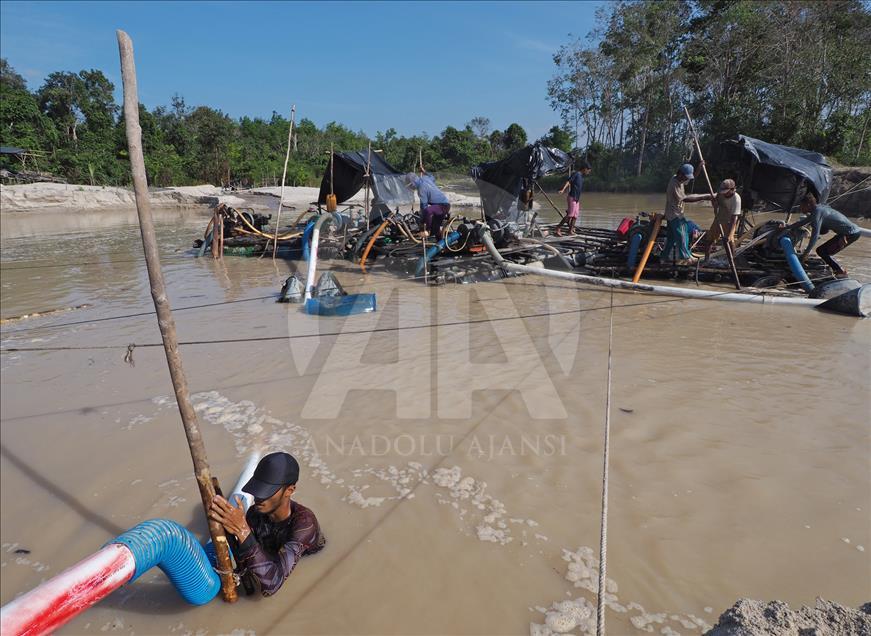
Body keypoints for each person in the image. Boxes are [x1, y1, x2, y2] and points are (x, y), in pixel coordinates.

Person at [209, 452, 325, 597]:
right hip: (271, 555)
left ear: (289, 490)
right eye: (257, 489)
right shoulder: (255, 513)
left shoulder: (305, 525)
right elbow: (245, 562)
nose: (258, 497)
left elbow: (272, 585)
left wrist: (242, 530)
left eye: (266, 492)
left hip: (305, 558)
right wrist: (232, 533)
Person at [779, 192, 862, 277]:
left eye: (802, 206)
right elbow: (802, 222)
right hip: (847, 232)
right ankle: (838, 269)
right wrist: (786, 227)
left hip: (851, 233)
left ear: (808, 205)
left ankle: (840, 271)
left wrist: (806, 253)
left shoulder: (817, 213)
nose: (800, 208)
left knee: (821, 251)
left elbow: (814, 236)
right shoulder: (818, 209)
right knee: (825, 251)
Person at [663, 163, 714, 265]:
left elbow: (693, 177)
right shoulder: (674, 184)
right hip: (675, 215)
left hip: (671, 214)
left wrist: (699, 168)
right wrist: (705, 197)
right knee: (683, 236)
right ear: (681, 174)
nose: (687, 180)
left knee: (671, 238)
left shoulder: (679, 179)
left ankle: (664, 258)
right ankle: (686, 258)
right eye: (686, 177)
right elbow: (686, 199)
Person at [407, 172, 451, 240]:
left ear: (413, 182)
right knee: (436, 228)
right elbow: (432, 176)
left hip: (442, 206)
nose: (411, 187)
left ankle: (427, 230)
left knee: (427, 211)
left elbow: (424, 206)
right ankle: (440, 243)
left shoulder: (421, 189)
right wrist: (424, 171)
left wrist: (422, 221)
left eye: (410, 185)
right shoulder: (425, 178)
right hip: (442, 205)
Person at [705, 178, 742, 257]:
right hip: (719, 218)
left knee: (728, 241)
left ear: (732, 190)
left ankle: (731, 260)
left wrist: (728, 235)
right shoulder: (720, 193)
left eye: (726, 192)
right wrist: (714, 202)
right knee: (709, 239)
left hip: (730, 221)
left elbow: (734, 218)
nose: (724, 194)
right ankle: (706, 259)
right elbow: (716, 202)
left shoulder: (736, 199)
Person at [554, 160, 592, 236]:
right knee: (570, 215)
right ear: (584, 168)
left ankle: (570, 230)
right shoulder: (576, 174)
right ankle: (558, 228)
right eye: (588, 170)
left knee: (575, 215)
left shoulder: (581, 176)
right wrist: (563, 189)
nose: (588, 172)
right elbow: (569, 181)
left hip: (577, 199)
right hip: (572, 197)